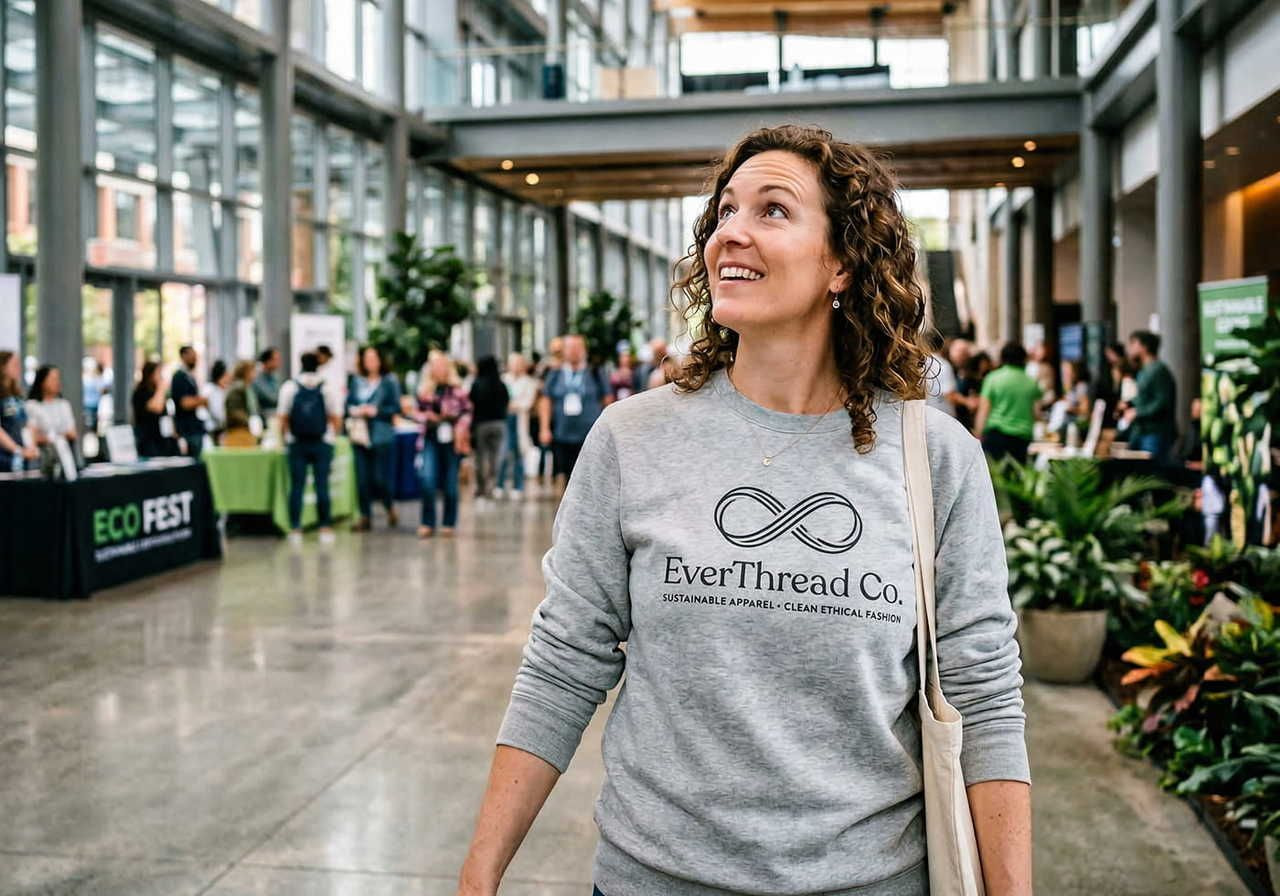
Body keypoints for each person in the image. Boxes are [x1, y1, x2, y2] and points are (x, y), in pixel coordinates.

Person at [460, 125, 1030, 896]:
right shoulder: (634, 439)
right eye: (726, 210)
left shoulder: (936, 458)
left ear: (841, 263)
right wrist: (478, 875)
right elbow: (564, 662)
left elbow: (984, 696)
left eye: (772, 210)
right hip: (652, 881)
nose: (732, 229)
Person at [278, 351, 343, 546]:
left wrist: (284, 440)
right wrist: (332, 437)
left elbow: (283, 418)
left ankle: (295, 527)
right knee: (322, 485)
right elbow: (336, 418)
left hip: (297, 443)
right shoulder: (327, 388)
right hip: (322, 443)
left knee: (296, 486)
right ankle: (325, 526)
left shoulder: (289, 387)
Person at [537, 333, 612, 488]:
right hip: (562, 434)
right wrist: (544, 428)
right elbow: (545, 400)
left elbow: (608, 399)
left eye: (578, 348)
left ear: (585, 350)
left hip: (590, 434)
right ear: (563, 351)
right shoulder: (555, 374)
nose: (574, 351)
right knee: (567, 477)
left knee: (590, 476)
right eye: (570, 348)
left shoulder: (595, 373)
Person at [414, 350, 470, 538]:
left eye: (442, 366)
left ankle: (448, 522)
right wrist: (427, 417)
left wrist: (458, 425)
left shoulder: (458, 390)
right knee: (428, 480)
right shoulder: (424, 391)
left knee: (450, 483)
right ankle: (427, 521)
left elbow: (467, 413)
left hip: (452, 440)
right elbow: (416, 413)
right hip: (430, 438)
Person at [347, 345, 401, 531]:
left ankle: (389, 506)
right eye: (367, 358)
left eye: (374, 358)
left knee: (380, 478)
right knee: (362, 479)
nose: (370, 362)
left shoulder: (389, 381)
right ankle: (365, 516)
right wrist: (356, 410)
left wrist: (377, 412)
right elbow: (349, 403)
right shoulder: (356, 381)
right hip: (360, 434)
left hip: (381, 435)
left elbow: (396, 408)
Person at [973, 342, 1042, 463]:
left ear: (1002, 358)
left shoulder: (993, 378)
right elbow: (1036, 413)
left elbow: (984, 410)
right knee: (1016, 478)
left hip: (996, 435)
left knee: (995, 478)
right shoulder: (1031, 382)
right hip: (1022, 437)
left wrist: (978, 434)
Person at [1120, 329, 1178, 464]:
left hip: (1155, 432)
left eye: (1133, 344)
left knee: (1153, 472)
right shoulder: (1144, 370)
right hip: (1141, 431)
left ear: (1144, 347)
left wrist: (1137, 412)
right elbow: (1145, 397)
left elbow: (1162, 402)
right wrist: (1130, 404)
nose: (1130, 348)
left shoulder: (1158, 370)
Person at [497, 352, 539, 499]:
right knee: (503, 452)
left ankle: (518, 485)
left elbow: (528, 403)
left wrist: (513, 406)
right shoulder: (502, 380)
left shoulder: (529, 382)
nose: (515, 366)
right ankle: (500, 484)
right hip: (505, 420)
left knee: (518, 453)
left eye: (518, 363)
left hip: (520, 419)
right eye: (513, 363)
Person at [468, 355, 509, 502]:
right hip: (499, 424)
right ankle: (492, 485)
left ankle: (481, 488)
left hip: (481, 425)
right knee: (495, 457)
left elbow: (471, 403)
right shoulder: (501, 384)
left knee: (480, 458)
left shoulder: (477, 384)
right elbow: (507, 402)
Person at [25, 365, 78, 467]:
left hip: (65, 456)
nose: (57, 382)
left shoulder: (64, 404)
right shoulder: (32, 405)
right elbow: (33, 437)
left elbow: (72, 433)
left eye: (58, 379)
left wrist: (50, 437)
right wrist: (59, 436)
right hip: (43, 457)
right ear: (42, 381)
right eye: (53, 379)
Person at [0, 350, 37, 471]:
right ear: (3, 367)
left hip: (21, 456)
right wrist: (16, 449)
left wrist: (30, 446)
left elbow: (25, 424)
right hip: (5, 457)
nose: (18, 368)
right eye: (14, 364)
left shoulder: (17, 395)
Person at [170, 345, 208, 460]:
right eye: (192, 356)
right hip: (187, 429)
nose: (195, 359)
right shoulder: (179, 377)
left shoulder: (190, 376)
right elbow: (185, 403)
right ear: (184, 356)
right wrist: (201, 401)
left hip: (194, 427)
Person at [131, 361, 171, 458]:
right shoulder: (141, 392)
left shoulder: (156, 392)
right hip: (147, 438)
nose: (160, 377)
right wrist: (161, 389)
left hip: (161, 437)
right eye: (158, 373)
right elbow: (156, 408)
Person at [223, 360, 260, 446]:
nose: (255, 374)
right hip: (238, 431)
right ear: (245, 372)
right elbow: (234, 410)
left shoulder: (247, 388)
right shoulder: (237, 388)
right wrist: (250, 421)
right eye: (252, 371)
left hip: (246, 430)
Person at [923, 329, 959, 417]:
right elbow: (950, 395)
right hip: (942, 415)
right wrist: (967, 402)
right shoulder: (943, 365)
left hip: (924, 414)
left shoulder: (917, 364)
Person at [201, 360, 231, 442]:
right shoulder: (210, 389)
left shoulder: (222, 390)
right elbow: (217, 413)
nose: (228, 378)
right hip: (211, 430)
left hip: (220, 429)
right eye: (226, 375)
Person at [253, 347, 282, 415]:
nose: (279, 362)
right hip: (263, 416)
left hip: (273, 414)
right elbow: (272, 398)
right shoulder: (257, 377)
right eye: (276, 359)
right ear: (268, 361)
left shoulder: (274, 376)